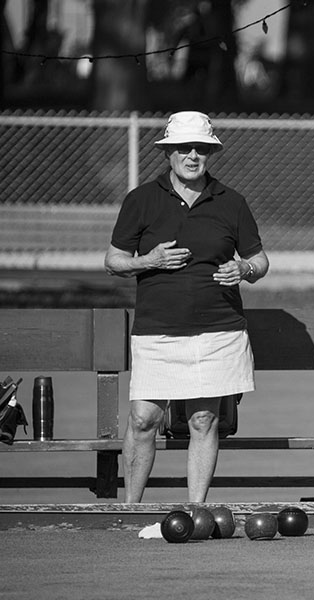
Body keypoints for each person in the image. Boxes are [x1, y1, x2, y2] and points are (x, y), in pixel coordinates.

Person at [104, 111, 269, 503]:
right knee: (143, 419)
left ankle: (196, 511)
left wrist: (243, 269)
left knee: (203, 420)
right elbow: (113, 261)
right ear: (168, 152)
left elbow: (260, 261)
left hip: (218, 330)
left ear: (210, 153)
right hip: (157, 331)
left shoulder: (232, 202)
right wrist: (151, 260)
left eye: (201, 148)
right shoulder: (141, 200)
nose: (192, 156)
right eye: (183, 148)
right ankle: (131, 510)